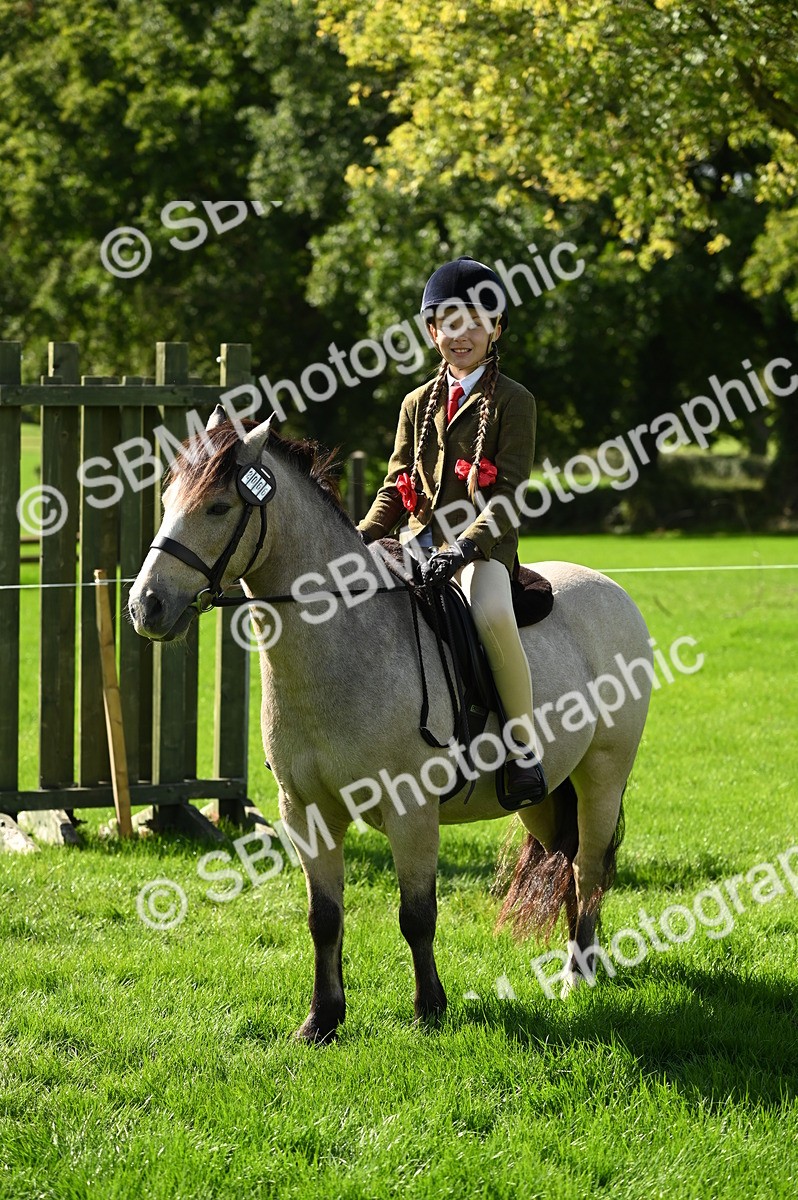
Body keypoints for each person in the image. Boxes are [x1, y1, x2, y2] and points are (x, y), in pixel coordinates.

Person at [358, 256, 547, 801]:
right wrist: (360, 537)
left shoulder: (515, 401)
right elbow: (396, 486)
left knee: (489, 612)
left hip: (483, 553)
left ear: (496, 327)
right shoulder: (416, 403)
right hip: (417, 544)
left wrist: (467, 548)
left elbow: (509, 495)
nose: (460, 334)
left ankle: (522, 750)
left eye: (474, 321)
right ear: (431, 330)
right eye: (448, 321)